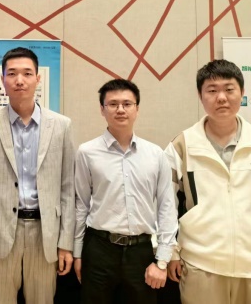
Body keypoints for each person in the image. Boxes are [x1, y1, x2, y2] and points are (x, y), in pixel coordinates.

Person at [165, 59, 251, 304]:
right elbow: (164, 202)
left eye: (229, 89)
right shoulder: (182, 145)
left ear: (242, 92)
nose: (221, 97)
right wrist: (171, 250)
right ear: (200, 96)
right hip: (201, 265)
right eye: (212, 90)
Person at [0, 47, 75, 304]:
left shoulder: (61, 126)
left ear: (38, 78)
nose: (19, 80)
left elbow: (68, 189)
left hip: (45, 235)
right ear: (2, 79)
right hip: (0, 235)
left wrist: (66, 243)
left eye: (27, 73)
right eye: (12, 74)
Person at [73, 79, 177, 304]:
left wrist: (162, 261)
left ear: (137, 109)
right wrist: (77, 253)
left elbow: (167, 208)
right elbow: (80, 205)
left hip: (141, 252)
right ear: (102, 109)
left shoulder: (156, 155)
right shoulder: (86, 152)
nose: (120, 109)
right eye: (113, 104)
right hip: (99, 250)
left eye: (127, 104)